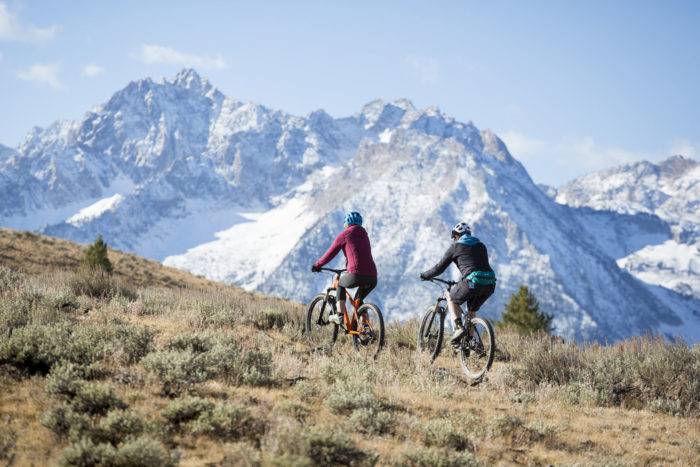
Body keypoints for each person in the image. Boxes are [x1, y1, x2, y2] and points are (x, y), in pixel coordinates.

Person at [420, 222, 496, 346]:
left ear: (456, 235)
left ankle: (459, 327)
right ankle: (473, 344)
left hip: (472, 281)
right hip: (490, 283)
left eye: (454, 236)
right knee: (471, 313)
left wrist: (425, 275)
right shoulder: (481, 245)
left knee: (451, 296)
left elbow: (439, 268)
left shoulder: (455, 246)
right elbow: (477, 264)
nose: (454, 239)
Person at [311, 211, 378, 326]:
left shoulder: (345, 234)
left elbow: (330, 253)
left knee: (341, 285)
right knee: (358, 300)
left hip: (356, 274)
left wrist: (317, 265)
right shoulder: (365, 235)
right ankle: (365, 327)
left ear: (346, 223)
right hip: (372, 276)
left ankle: (339, 316)